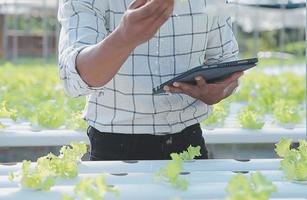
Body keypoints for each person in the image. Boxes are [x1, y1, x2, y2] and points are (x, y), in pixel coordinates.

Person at [58, 0, 243, 161]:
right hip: (114, 147)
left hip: (189, 141)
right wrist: (124, 37)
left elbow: (226, 66)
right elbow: (75, 78)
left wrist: (218, 90)